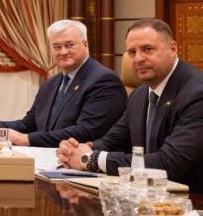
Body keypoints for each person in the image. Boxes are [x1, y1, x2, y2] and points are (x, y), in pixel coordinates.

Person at [57, 19, 203, 192]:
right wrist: (78, 150)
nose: (138, 58)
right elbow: (113, 140)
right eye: (132, 52)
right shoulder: (140, 94)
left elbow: (168, 163)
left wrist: (91, 159)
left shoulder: (197, 92)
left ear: (172, 49)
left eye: (148, 49)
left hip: (192, 201)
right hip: (146, 196)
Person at [0, 20, 126, 147]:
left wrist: (26, 139)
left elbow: (86, 132)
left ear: (85, 45)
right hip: (47, 160)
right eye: (57, 47)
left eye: (69, 45)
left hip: (82, 165)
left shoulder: (104, 81)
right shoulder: (51, 84)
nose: (63, 52)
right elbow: (29, 124)